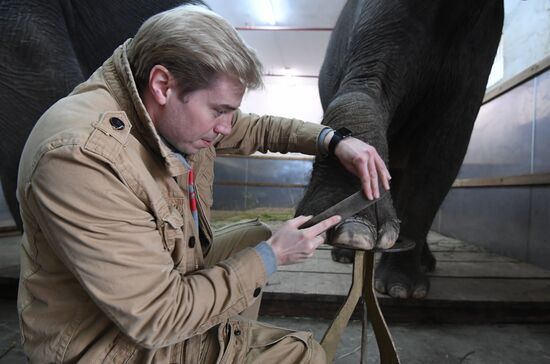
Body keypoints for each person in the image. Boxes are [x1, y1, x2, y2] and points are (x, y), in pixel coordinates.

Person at [16, 5, 391, 363]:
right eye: (219, 111)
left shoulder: (158, 109)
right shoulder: (82, 159)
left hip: (143, 302)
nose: (227, 127)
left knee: (254, 237)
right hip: (101, 346)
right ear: (163, 84)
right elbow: (155, 317)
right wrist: (273, 257)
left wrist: (334, 140)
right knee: (302, 353)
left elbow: (256, 128)